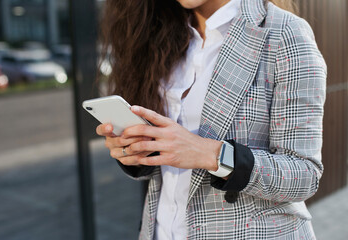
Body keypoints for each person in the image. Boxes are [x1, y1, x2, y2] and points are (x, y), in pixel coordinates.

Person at [96, 0, 327, 239]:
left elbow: (304, 174)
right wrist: (138, 149)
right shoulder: (160, 34)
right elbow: (169, 166)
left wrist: (212, 155)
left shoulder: (284, 33)